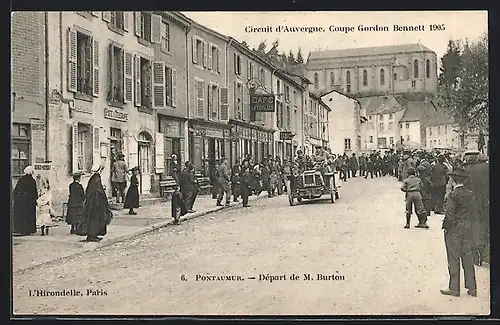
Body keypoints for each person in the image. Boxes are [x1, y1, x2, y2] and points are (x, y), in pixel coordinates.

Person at [440, 167, 478, 297]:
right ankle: (472, 288)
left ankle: (454, 288)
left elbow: (449, 214)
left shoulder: (453, 195)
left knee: (453, 257)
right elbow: (474, 213)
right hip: (467, 226)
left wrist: (446, 226)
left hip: (454, 228)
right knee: (467, 256)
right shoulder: (470, 193)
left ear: (453, 180)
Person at [463, 154, 490, 266]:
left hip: (470, 204)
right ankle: (484, 254)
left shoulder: (465, 169)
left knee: (472, 228)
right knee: (484, 227)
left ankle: (475, 256)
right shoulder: (486, 169)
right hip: (485, 203)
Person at [75, 165, 113, 242]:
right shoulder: (96, 180)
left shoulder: (93, 179)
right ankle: (92, 236)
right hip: (95, 205)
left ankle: (93, 235)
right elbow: (98, 193)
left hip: (92, 204)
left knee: (94, 220)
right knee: (94, 221)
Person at [12, 166, 38, 236]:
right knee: (29, 215)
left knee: (21, 215)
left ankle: (20, 229)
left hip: (20, 201)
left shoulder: (21, 180)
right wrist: (35, 199)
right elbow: (34, 192)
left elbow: (16, 190)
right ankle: (28, 230)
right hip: (29, 201)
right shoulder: (32, 180)